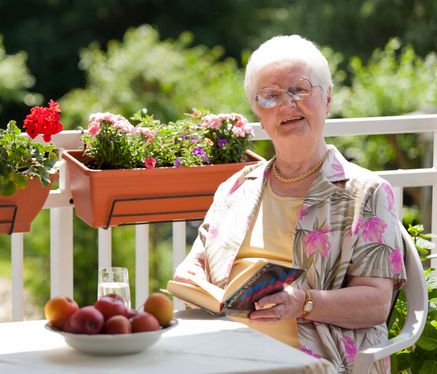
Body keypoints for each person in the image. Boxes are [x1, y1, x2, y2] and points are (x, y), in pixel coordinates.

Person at [173, 34, 406, 373]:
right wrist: (190, 277)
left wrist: (303, 302)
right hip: (224, 348)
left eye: (299, 89)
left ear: (327, 99)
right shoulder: (235, 188)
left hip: (311, 357)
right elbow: (194, 267)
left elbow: (375, 303)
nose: (286, 105)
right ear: (258, 112)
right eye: (270, 95)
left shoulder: (366, 192)